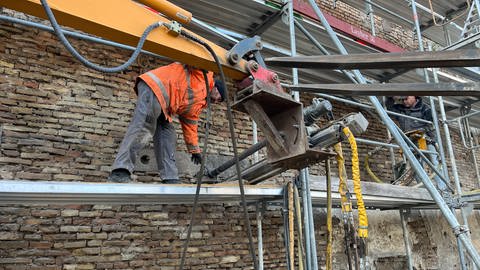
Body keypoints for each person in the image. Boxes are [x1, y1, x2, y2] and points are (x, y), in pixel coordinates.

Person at [108, 62, 225, 183]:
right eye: (219, 97)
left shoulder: (199, 104)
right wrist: (206, 63)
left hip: (165, 105)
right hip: (156, 86)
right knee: (144, 125)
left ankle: (170, 177)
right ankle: (121, 169)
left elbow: (190, 125)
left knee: (168, 134)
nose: (216, 101)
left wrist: (195, 151)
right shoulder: (205, 74)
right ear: (216, 87)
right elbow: (197, 59)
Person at [386, 96, 448, 194]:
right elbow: (388, 109)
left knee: (434, 164)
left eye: (407, 98)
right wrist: (391, 97)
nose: (404, 101)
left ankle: (443, 189)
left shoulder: (425, 108)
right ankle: (426, 190)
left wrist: (422, 132)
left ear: (415, 97)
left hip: (426, 139)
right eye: (403, 99)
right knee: (415, 167)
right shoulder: (400, 108)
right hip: (410, 141)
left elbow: (433, 124)